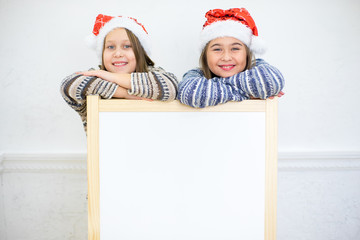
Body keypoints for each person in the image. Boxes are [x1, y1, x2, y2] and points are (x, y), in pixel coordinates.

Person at [60, 14, 178, 132]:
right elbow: (67, 86)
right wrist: (124, 93)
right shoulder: (96, 77)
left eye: (126, 46)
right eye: (110, 47)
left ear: (140, 52)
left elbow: (171, 87)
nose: (117, 54)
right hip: (105, 150)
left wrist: (111, 76)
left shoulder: (153, 74)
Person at [177, 8, 284, 108]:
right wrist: (250, 91)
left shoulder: (257, 66)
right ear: (205, 55)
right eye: (217, 49)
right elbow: (191, 92)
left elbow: (269, 81)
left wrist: (212, 93)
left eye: (235, 48)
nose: (226, 57)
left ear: (247, 54)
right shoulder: (196, 75)